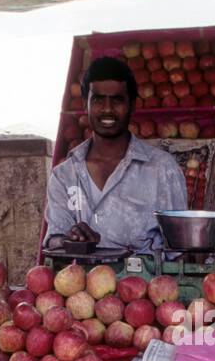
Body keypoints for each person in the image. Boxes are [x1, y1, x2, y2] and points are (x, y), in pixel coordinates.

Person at [44, 56, 187, 254]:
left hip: (148, 283)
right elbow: (54, 238)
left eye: (117, 100)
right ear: (84, 104)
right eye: (98, 100)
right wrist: (71, 239)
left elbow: (180, 248)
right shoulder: (64, 175)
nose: (108, 109)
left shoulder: (162, 169)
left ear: (132, 105)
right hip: (80, 283)